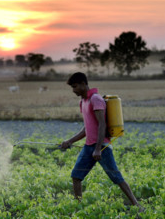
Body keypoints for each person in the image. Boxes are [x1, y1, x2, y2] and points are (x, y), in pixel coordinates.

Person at [60, 72, 142, 210]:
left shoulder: (96, 99)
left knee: (116, 177)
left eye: (75, 86)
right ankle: (78, 207)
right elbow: (87, 128)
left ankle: (137, 205)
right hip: (89, 146)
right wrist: (70, 141)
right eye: (72, 87)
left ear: (83, 84)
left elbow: (102, 125)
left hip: (101, 146)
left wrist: (98, 149)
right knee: (76, 176)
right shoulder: (83, 102)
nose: (73, 90)